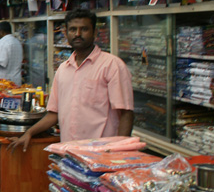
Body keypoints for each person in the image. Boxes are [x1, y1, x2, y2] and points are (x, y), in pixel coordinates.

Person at [8, 9, 134, 150]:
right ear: (66, 33)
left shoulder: (112, 66)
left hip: (102, 153)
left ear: (95, 33)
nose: (78, 34)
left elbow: (126, 113)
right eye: (73, 29)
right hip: (69, 154)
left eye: (84, 29)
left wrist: (119, 151)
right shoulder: (63, 69)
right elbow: (53, 114)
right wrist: (29, 133)